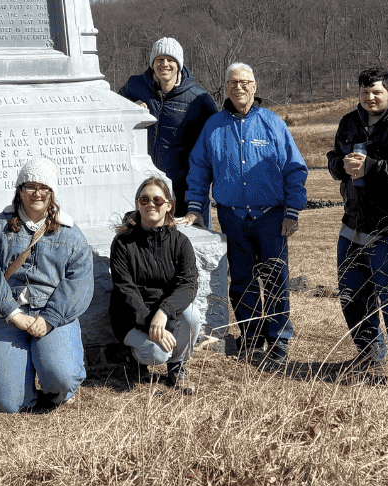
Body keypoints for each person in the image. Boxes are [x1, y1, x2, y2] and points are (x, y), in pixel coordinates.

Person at [185, 62, 308, 371]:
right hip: (232, 217)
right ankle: (251, 337)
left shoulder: (273, 124)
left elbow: (295, 169)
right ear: (226, 88)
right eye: (233, 83)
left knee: (276, 280)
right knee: (241, 280)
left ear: (255, 87)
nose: (239, 87)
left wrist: (292, 211)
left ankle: (278, 340)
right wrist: (196, 208)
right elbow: (199, 170)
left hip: (271, 217)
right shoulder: (214, 126)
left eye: (245, 82)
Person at [326, 67, 388, 380]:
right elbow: (332, 158)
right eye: (365, 92)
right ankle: (370, 356)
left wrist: (374, 168)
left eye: (377, 92)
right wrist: (339, 165)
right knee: (351, 295)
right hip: (352, 224)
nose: (370, 98)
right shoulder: (348, 123)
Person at [0, 158, 94, 413]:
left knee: (61, 376)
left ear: (52, 193)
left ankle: (60, 385)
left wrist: (50, 318)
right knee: (8, 403)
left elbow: (79, 281)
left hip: (51, 315)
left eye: (44, 188)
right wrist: (12, 313)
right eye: (30, 186)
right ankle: (18, 384)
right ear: (19, 190)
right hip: (9, 315)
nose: (37, 193)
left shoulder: (70, 233)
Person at [110, 176, 200, 394]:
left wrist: (163, 312)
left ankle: (177, 366)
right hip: (131, 317)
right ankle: (137, 361)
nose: (151, 204)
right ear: (138, 203)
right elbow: (125, 290)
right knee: (155, 353)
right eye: (144, 200)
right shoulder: (123, 243)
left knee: (193, 316)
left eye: (157, 200)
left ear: (168, 206)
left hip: (163, 313)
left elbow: (188, 284)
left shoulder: (180, 242)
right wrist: (150, 322)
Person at [119, 38, 218, 217]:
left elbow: (214, 143)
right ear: (152, 63)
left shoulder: (199, 99)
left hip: (183, 189)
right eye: (159, 59)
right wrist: (132, 105)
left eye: (171, 60)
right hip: (145, 187)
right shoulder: (135, 86)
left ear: (179, 64)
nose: (165, 64)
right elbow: (115, 106)